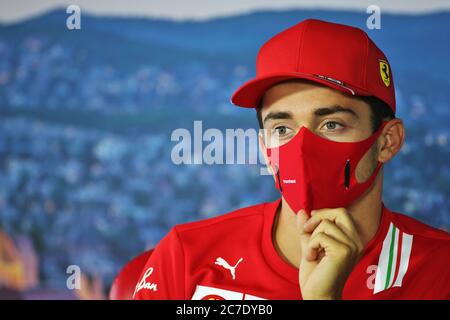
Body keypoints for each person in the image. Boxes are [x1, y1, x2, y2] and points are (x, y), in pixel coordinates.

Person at [133, 19, 450, 300]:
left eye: (331, 124)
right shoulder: (187, 257)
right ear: (264, 149)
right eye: (282, 128)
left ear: (387, 140)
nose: (301, 147)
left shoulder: (440, 271)